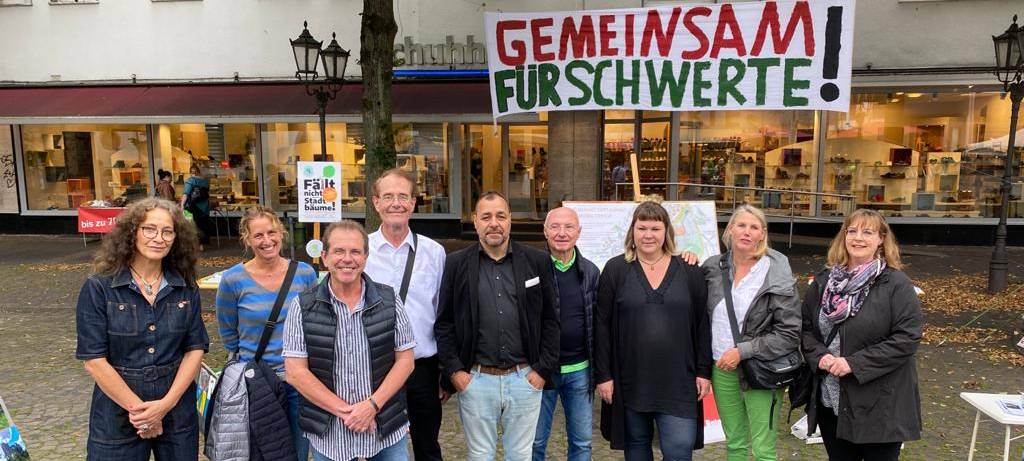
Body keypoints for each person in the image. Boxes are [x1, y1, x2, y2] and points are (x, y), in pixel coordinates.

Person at [75, 197, 209, 460]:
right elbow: (93, 360)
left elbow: (195, 348)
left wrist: (165, 406)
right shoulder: (100, 287)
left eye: (167, 231)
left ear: (176, 238)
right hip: (117, 410)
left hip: (176, 407)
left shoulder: (185, 286)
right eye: (149, 229)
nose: (159, 238)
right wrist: (142, 414)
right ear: (132, 233)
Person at [435, 191, 560, 461]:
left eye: (500, 216)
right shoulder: (456, 264)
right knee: (480, 455)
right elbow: (444, 323)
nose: (494, 223)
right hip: (476, 381)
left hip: (525, 378)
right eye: (486, 217)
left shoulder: (537, 261)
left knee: (520, 455)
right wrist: (456, 373)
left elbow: (551, 319)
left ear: (510, 219)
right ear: (475, 221)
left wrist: (541, 371)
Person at [283, 220, 416, 461]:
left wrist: (371, 406)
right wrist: (348, 413)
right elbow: (295, 372)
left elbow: (405, 361)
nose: (347, 259)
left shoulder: (389, 300)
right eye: (339, 251)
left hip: (385, 427)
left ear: (366, 256)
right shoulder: (302, 306)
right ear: (325, 257)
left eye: (355, 251)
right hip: (330, 432)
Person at [800, 209, 922, 461]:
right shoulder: (824, 282)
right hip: (832, 400)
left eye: (867, 232)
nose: (858, 238)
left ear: (881, 239)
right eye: (852, 231)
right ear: (844, 236)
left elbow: (907, 338)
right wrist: (819, 355)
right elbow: (806, 329)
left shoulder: (896, 284)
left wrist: (853, 364)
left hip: (880, 404)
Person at [594, 200, 711, 461]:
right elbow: (601, 326)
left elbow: (703, 324)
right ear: (632, 231)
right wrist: (603, 375)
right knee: (636, 446)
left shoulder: (689, 270)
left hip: (679, 380)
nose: (648, 235)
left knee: (679, 448)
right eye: (642, 228)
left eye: (655, 229)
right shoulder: (615, 270)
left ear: (666, 231)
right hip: (631, 379)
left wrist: (704, 371)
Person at [215, 206, 319, 460]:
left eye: (271, 232)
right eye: (258, 235)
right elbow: (228, 332)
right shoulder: (232, 280)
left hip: (298, 380)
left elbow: (314, 322)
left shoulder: (305, 274)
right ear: (247, 239)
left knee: (297, 451)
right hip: (256, 383)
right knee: (261, 453)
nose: (267, 240)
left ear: (281, 233)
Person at [700, 204, 801, 461]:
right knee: (735, 444)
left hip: (762, 368)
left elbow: (789, 333)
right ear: (730, 230)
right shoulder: (712, 267)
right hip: (721, 368)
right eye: (741, 225)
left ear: (762, 234)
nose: (747, 232)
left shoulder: (776, 270)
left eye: (754, 227)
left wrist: (743, 351)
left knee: (763, 449)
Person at [364, 168, 448, 461]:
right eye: (388, 197)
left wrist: (445, 371)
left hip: (422, 368)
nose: (396, 203)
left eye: (403, 196)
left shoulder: (434, 252)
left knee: (427, 447)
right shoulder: (361, 251)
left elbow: (442, 314)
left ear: (413, 203)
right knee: (377, 448)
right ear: (376, 202)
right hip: (374, 368)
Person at [532, 207, 600, 461]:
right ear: (545, 231)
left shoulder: (591, 272)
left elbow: (599, 323)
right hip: (541, 372)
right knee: (535, 442)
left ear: (578, 232)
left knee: (582, 442)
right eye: (555, 227)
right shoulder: (532, 270)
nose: (562, 233)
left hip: (580, 370)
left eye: (569, 227)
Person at [181, 164, 213, 246]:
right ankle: (201, 244)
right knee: (202, 225)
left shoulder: (190, 180)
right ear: (199, 172)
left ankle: (192, 244)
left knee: (190, 225)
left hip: (191, 207)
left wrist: (182, 205)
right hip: (204, 207)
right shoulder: (205, 181)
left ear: (190, 172)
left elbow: (186, 194)